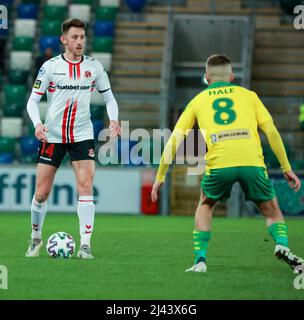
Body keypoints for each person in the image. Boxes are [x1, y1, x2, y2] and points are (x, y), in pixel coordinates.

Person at [151, 54, 303, 273]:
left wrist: (160, 177)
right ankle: (282, 244)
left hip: (220, 163)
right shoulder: (249, 96)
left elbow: (174, 140)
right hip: (252, 162)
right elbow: (271, 131)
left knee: (205, 204)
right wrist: (286, 168)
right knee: (271, 210)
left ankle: (200, 260)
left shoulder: (198, 100)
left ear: (207, 77)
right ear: (232, 76)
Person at [25, 18, 121, 259]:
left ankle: (85, 245)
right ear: (64, 40)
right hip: (52, 135)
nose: (80, 41)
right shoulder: (49, 67)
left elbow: (109, 98)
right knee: (41, 193)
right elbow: (33, 101)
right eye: (75, 37)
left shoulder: (94, 67)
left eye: (82, 37)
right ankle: (36, 238)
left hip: (82, 135)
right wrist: (37, 124)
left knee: (86, 186)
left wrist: (114, 120)